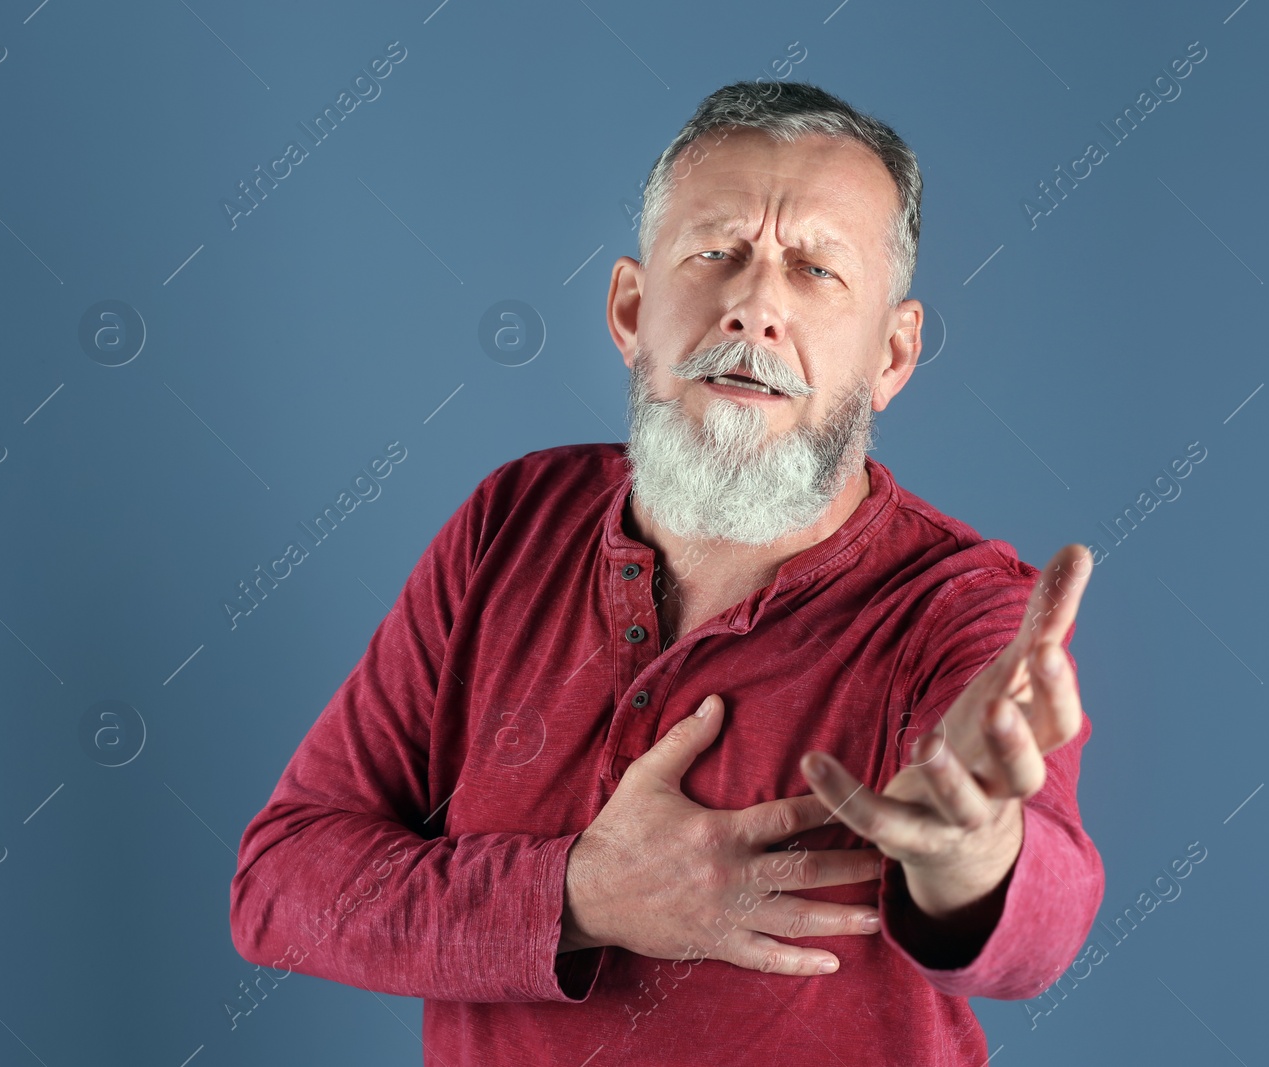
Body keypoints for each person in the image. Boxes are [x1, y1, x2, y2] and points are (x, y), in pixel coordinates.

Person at [230, 80, 1103, 1065]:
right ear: (631, 308)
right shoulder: (509, 524)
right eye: (715, 252)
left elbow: (1040, 930)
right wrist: (578, 895)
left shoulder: (959, 607)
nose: (753, 306)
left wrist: (975, 853)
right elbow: (280, 885)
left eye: (815, 269)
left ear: (892, 354)